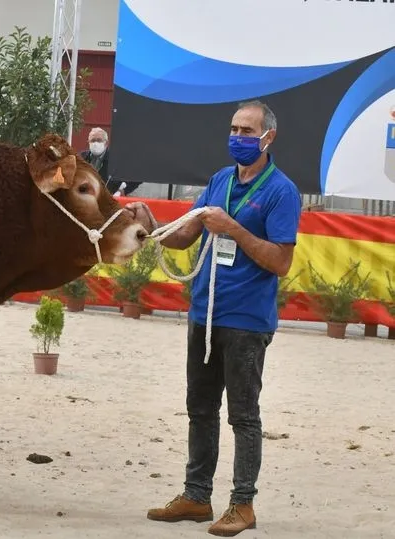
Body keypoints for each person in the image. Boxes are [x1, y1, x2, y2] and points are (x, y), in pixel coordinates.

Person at [127, 100, 301, 536]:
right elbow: (187, 235)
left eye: (247, 130)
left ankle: (243, 505)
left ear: (268, 137)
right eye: (234, 128)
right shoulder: (220, 180)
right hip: (204, 314)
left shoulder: (281, 191)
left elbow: (280, 262)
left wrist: (235, 230)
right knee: (199, 408)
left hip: (246, 321)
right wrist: (153, 225)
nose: (238, 136)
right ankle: (196, 496)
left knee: (243, 416)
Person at [79, 127, 140, 196]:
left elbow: (138, 175)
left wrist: (124, 190)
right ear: (88, 142)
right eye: (93, 140)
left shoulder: (116, 159)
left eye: (99, 140)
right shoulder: (81, 157)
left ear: (106, 143)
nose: (95, 143)